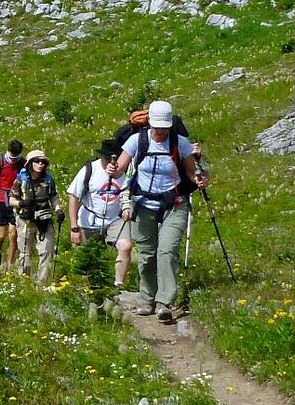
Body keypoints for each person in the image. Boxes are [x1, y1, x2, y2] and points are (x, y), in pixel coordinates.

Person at [115, 100, 207, 325]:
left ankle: (165, 303)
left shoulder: (180, 143)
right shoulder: (137, 141)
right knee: (146, 255)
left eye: (165, 127)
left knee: (166, 251)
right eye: (157, 127)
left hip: (174, 203)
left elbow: (191, 172)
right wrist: (112, 169)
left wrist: (200, 178)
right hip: (143, 203)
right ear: (150, 124)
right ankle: (147, 300)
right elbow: (119, 168)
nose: (161, 131)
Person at [68, 139, 133, 291]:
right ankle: (89, 289)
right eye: (107, 158)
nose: (111, 162)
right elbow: (74, 198)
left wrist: (127, 208)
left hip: (115, 218)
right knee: (86, 255)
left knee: (125, 246)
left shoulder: (125, 171)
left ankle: (118, 287)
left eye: (115, 158)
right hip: (90, 219)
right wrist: (74, 227)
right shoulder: (89, 169)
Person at [10, 149, 59, 283]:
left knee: (47, 251)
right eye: (37, 161)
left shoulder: (48, 180)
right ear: (30, 163)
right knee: (25, 252)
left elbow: (53, 196)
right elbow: (11, 200)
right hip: (25, 220)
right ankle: (24, 281)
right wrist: (22, 203)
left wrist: (58, 209)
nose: (40, 164)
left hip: (44, 219)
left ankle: (42, 282)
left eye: (43, 162)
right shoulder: (21, 180)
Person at [0, 140, 26, 266]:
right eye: (12, 157)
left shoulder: (23, 164)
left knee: (13, 234)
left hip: (16, 201)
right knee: (1, 235)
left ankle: (9, 264)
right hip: (0, 200)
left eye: (16, 157)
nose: (13, 160)